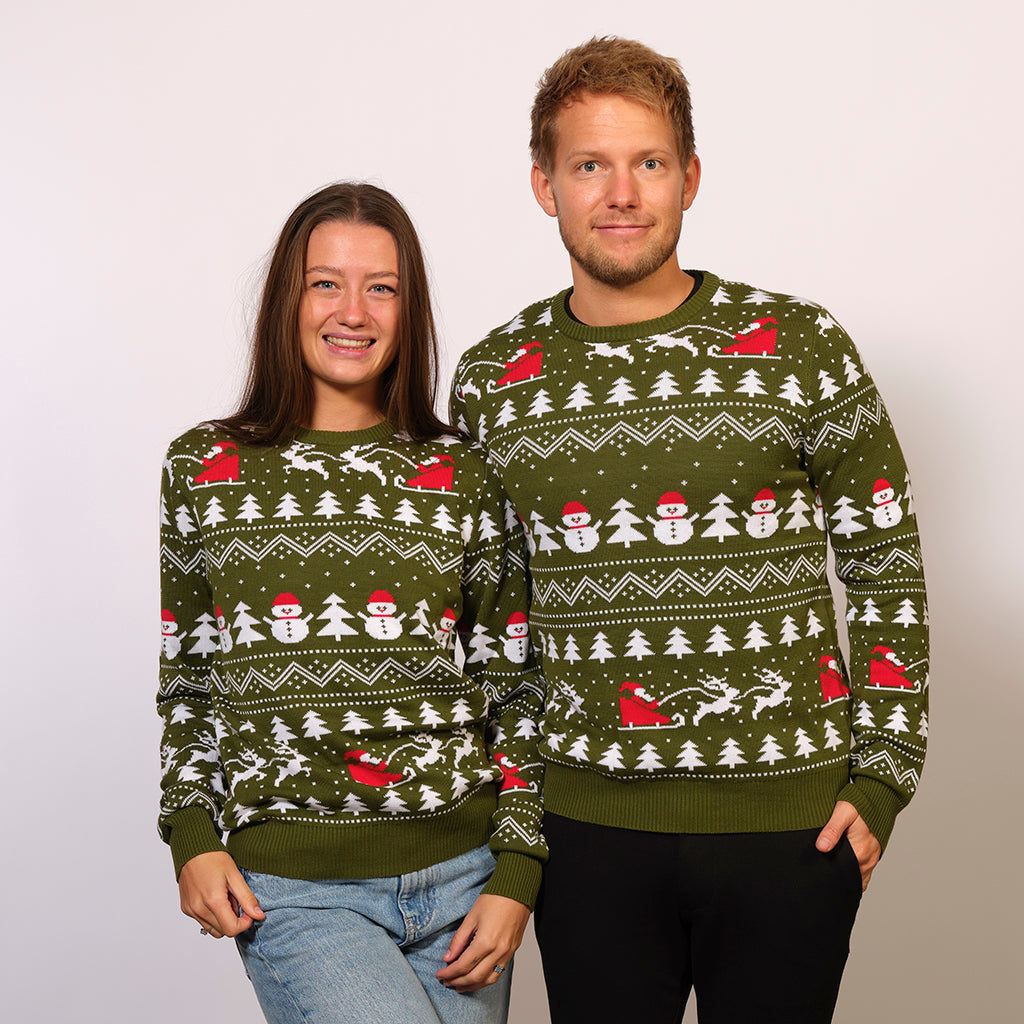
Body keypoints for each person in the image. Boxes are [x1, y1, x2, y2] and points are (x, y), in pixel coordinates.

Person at [450, 38, 928, 1024]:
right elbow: (489, 627)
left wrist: (882, 777)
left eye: (648, 162)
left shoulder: (800, 348)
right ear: (544, 184)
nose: (619, 192)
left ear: (690, 177)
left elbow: (886, 565)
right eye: (589, 165)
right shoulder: (492, 380)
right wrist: (515, 820)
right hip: (583, 833)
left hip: (790, 825)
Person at [158, 182, 546, 1024]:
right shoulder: (204, 468)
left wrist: (517, 870)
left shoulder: (463, 474)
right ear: (286, 301)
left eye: (383, 286)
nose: (354, 311)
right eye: (325, 282)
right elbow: (189, 676)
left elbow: (515, 688)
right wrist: (191, 834)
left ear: (410, 309)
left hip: (463, 883)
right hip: (298, 890)